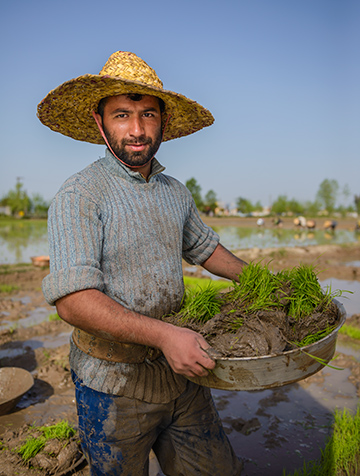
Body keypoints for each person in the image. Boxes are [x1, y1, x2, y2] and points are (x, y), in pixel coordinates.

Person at [38, 51, 247, 476]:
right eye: (121, 115)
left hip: (183, 376)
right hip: (111, 386)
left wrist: (263, 280)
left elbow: (205, 248)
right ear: (100, 123)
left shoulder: (175, 192)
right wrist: (166, 335)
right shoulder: (80, 195)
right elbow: (74, 302)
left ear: (164, 122)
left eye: (148, 114)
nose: (137, 130)